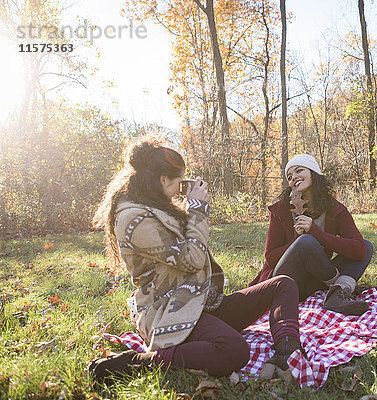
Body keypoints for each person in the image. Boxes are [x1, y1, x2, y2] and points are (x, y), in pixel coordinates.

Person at [89, 135, 303, 384]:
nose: (180, 189)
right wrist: (198, 209)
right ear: (162, 179)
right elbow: (191, 259)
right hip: (169, 310)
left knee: (283, 283)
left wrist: (190, 208)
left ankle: (287, 354)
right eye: (179, 183)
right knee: (234, 351)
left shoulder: (157, 204)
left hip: (200, 302)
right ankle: (138, 362)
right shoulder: (133, 219)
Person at [249, 154, 374, 316]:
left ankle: (335, 298)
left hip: (315, 281)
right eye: (289, 176)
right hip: (285, 281)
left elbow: (359, 251)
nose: (294, 177)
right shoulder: (281, 210)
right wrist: (297, 240)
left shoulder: (335, 210)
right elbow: (270, 258)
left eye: (299, 170)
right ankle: (339, 287)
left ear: (313, 173)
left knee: (366, 245)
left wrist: (317, 232)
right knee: (305, 242)